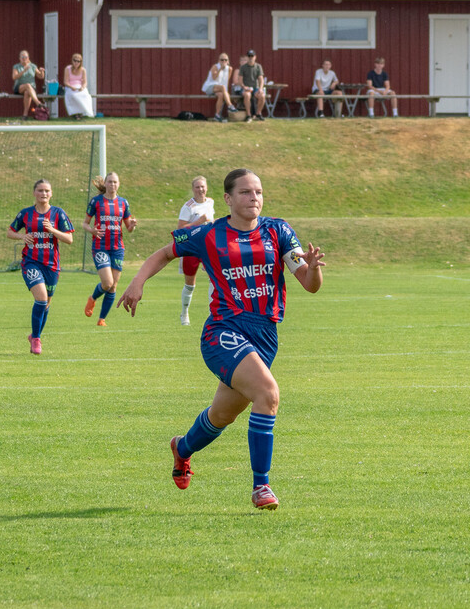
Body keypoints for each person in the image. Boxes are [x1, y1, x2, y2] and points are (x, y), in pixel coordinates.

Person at [119, 168, 325, 510]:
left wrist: (314, 268)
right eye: (245, 192)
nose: (254, 198)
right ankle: (261, 486)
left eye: (258, 191)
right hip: (223, 332)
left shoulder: (279, 231)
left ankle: (182, 448)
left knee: (222, 415)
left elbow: (309, 284)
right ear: (228, 199)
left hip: (265, 335)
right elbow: (165, 253)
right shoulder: (209, 234)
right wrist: (137, 282)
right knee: (268, 393)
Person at [7, 180, 75, 355]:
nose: (43, 194)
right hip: (31, 262)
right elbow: (10, 232)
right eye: (40, 190)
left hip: (52, 265)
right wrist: (22, 237)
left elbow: (69, 239)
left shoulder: (58, 213)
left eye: (47, 191)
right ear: (34, 193)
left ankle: (34, 335)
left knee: (46, 305)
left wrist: (52, 230)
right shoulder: (26, 213)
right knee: (42, 299)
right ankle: (36, 339)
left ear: (51, 193)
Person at [83, 172, 137, 327]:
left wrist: (132, 225)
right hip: (100, 247)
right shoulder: (96, 201)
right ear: (105, 183)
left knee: (113, 286)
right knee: (107, 283)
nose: (112, 184)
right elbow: (85, 223)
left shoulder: (123, 203)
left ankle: (102, 320)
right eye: (110, 181)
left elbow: (128, 228)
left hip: (117, 248)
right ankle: (93, 298)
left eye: (115, 182)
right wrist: (92, 230)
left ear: (118, 184)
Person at [176, 175, 215, 326]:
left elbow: (210, 220)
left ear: (207, 188)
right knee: (190, 285)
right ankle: (184, 312)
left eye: (202, 186)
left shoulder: (210, 202)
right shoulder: (188, 207)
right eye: (197, 187)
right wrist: (198, 222)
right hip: (191, 248)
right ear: (193, 189)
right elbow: (180, 229)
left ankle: (213, 313)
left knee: (214, 279)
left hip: (207, 247)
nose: (200, 189)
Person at [234, 49, 267, 122]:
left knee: (262, 96)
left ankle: (258, 113)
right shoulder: (243, 67)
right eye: (249, 56)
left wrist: (260, 88)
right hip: (245, 88)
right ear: (247, 57)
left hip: (255, 88)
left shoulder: (258, 66)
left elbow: (261, 79)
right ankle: (248, 115)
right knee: (247, 95)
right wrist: (244, 87)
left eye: (252, 56)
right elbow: (240, 81)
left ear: (255, 57)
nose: (251, 57)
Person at [13, 50, 45, 121]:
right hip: (19, 87)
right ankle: (38, 103)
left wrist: (42, 71)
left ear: (28, 58)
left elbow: (40, 76)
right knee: (27, 85)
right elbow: (14, 77)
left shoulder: (33, 66)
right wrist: (24, 71)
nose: (24, 59)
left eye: (26, 57)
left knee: (27, 92)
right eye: (22, 57)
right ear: (19, 58)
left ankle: (25, 115)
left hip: (31, 89)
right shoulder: (16, 66)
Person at [203, 53, 236, 122]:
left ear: (228, 61)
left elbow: (226, 81)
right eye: (222, 60)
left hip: (220, 88)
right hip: (210, 86)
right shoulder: (215, 67)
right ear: (219, 60)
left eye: (225, 60)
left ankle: (217, 115)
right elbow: (214, 78)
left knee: (221, 95)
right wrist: (220, 69)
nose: (224, 61)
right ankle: (230, 105)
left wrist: (225, 92)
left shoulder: (230, 69)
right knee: (222, 87)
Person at [62, 53, 95, 119]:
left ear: (80, 62)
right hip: (70, 86)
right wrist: (71, 87)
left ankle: (82, 112)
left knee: (85, 95)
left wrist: (82, 87)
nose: (76, 63)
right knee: (73, 95)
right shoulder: (68, 69)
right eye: (75, 60)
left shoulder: (83, 70)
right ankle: (75, 113)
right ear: (72, 61)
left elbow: (85, 82)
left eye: (78, 61)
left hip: (80, 87)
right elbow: (66, 82)